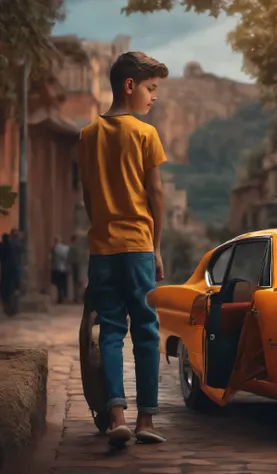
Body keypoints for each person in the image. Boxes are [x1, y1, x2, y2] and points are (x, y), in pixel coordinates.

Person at [78, 51, 168, 446]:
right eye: (150, 89)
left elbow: (88, 196)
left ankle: (116, 417)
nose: (154, 97)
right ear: (129, 85)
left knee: (110, 331)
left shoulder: (87, 136)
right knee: (146, 331)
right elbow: (157, 193)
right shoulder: (145, 134)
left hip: (102, 250)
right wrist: (157, 246)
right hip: (137, 247)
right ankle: (147, 420)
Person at [50, 236, 70, 303]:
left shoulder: (54, 248)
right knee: (64, 284)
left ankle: (60, 298)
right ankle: (64, 296)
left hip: (57, 268)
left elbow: (52, 259)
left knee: (58, 285)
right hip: (64, 268)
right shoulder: (66, 248)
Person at [0, 233, 14, 315]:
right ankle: (9, 310)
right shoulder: (10, 246)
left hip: (4, 268)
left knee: (5, 291)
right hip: (9, 270)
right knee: (8, 291)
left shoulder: (3, 246)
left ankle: (7, 310)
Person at [68, 234, 82, 303]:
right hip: (75, 265)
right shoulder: (74, 247)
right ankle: (76, 297)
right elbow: (70, 258)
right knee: (76, 282)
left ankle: (77, 297)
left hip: (77, 265)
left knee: (77, 282)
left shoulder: (76, 247)